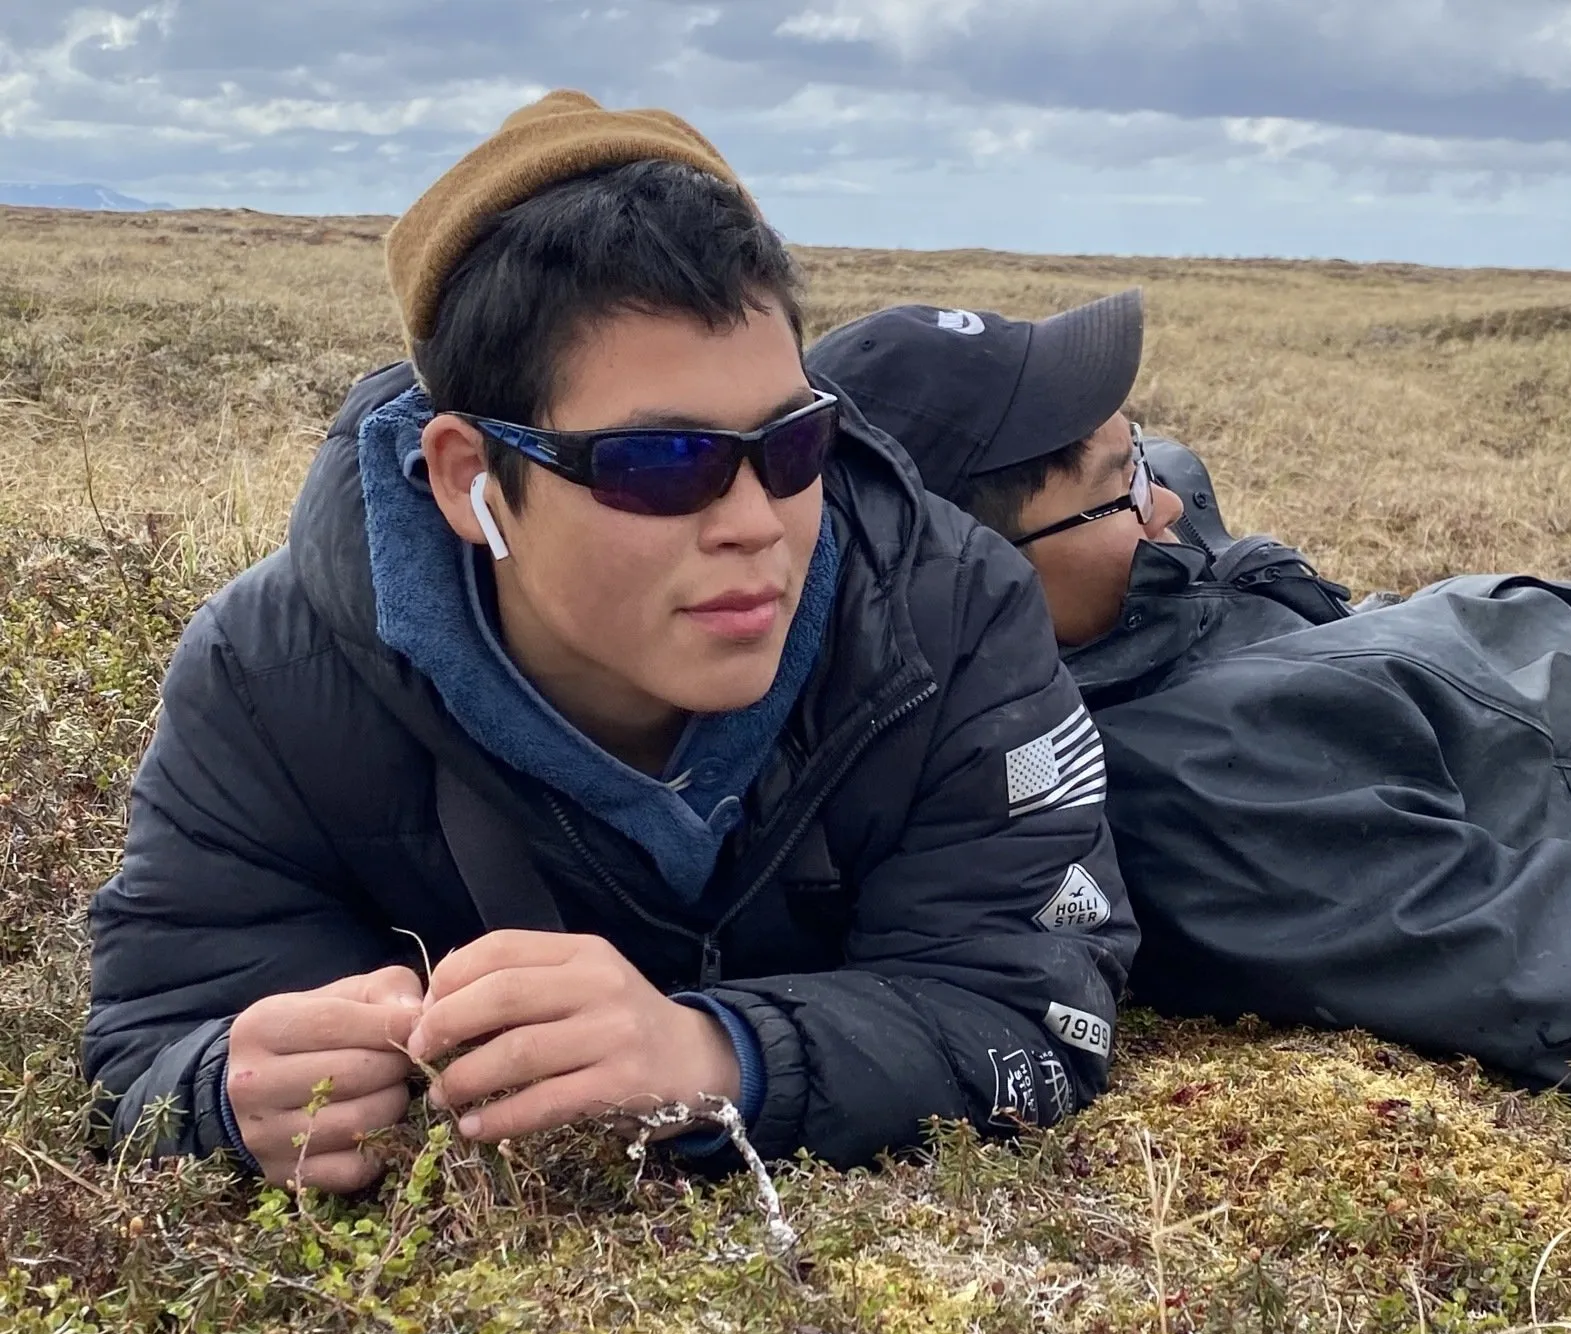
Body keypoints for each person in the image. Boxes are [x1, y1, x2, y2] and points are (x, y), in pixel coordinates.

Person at [83, 92, 1136, 1195]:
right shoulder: (272, 680)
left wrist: (715, 1056)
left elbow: (1034, 1005)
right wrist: (223, 1090)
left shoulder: (950, 615)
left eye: (792, 443)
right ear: (468, 479)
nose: (753, 522)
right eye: (661, 464)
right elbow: (153, 1033)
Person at [808, 292, 1571, 1109]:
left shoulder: (1129, 588)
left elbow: (1164, 498)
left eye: (1138, 453)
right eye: (1118, 489)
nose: (1162, 509)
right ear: (979, 587)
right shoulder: (1199, 794)